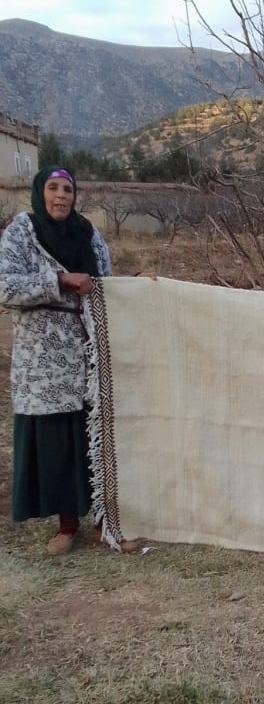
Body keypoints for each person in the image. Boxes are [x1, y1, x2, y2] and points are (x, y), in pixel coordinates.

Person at [0, 165, 142, 555]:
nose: (61, 196)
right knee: (56, 442)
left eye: (67, 189)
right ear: (39, 192)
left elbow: (105, 285)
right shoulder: (22, 232)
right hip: (43, 358)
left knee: (93, 433)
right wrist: (61, 281)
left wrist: (134, 288)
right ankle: (66, 526)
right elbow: (6, 286)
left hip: (88, 352)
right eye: (53, 188)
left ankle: (103, 522)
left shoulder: (88, 234)